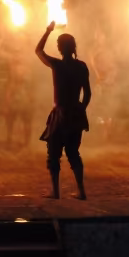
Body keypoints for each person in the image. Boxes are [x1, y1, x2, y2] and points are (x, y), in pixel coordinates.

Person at [35, 21, 90, 200]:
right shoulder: (81, 66)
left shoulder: (57, 65)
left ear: (60, 48)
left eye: (59, 45)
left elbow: (38, 51)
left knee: (54, 153)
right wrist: (81, 109)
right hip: (75, 114)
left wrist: (48, 31)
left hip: (60, 115)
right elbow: (87, 93)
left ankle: (56, 192)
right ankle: (81, 191)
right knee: (73, 153)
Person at [0, 28, 34, 150]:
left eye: (21, 41)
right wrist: (2, 38)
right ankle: (9, 140)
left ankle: (26, 143)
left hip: (26, 90)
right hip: (14, 89)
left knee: (27, 118)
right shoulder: (13, 57)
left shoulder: (29, 55)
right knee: (10, 117)